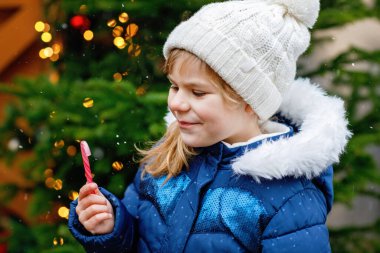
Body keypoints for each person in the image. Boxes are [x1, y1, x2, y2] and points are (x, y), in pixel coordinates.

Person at [68, 0, 351, 252]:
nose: (177, 103)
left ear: (249, 101)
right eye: (175, 86)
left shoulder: (289, 197)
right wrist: (111, 227)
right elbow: (136, 237)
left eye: (198, 92)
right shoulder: (167, 158)